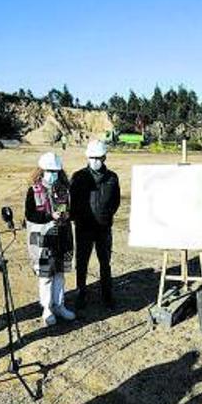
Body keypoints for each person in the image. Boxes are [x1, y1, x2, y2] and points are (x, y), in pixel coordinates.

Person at [70, 140, 121, 311]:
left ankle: (107, 296)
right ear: (87, 157)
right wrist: (78, 218)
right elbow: (73, 202)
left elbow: (116, 202)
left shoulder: (112, 178)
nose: (95, 161)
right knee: (82, 263)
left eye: (98, 157)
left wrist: (106, 216)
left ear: (105, 157)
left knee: (105, 262)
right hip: (83, 228)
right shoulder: (78, 177)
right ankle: (80, 295)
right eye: (92, 157)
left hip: (103, 228)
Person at [26, 152, 75, 326]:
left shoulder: (64, 189)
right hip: (43, 240)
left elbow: (70, 211)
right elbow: (30, 215)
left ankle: (59, 305)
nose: (53, 174)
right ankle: (47, 309)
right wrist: (49, 216)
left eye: (55, 170)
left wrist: (68, 214)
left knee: (60, 273)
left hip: (63, 238)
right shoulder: (33, 190)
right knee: (46, 275)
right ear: (41, 170)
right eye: (49, 170)